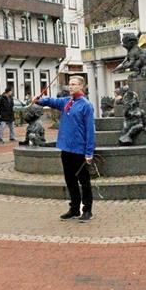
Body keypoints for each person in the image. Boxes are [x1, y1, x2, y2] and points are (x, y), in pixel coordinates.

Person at [34, 76, 96, 222]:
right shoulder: (66, 102)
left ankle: (87, 210)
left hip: (79, 149)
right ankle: (74, 208)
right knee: (70, 179)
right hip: (66, 148)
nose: (70, 87)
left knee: (84, 181)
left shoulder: (86, 105)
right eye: (69, 84)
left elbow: (90, 130)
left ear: (82, 86)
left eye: (74, 84)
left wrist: (89, 152)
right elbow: (52, 101)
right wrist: (39, 100)